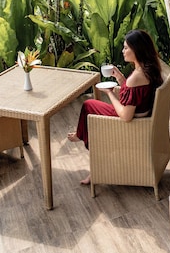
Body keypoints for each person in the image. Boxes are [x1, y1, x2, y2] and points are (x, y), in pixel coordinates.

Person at [67, 29, 162, 185]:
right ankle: (81, 134)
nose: (123, 51)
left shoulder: (137, 77)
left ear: (137, 50)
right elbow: (136, 94)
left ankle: (88, 148)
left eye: (126, 48)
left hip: (135, 123)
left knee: (88, 105)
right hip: (144, 114)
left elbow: (126, 116)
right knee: (90, 107)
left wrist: (109, 93)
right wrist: (120, 77)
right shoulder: (149, 69)